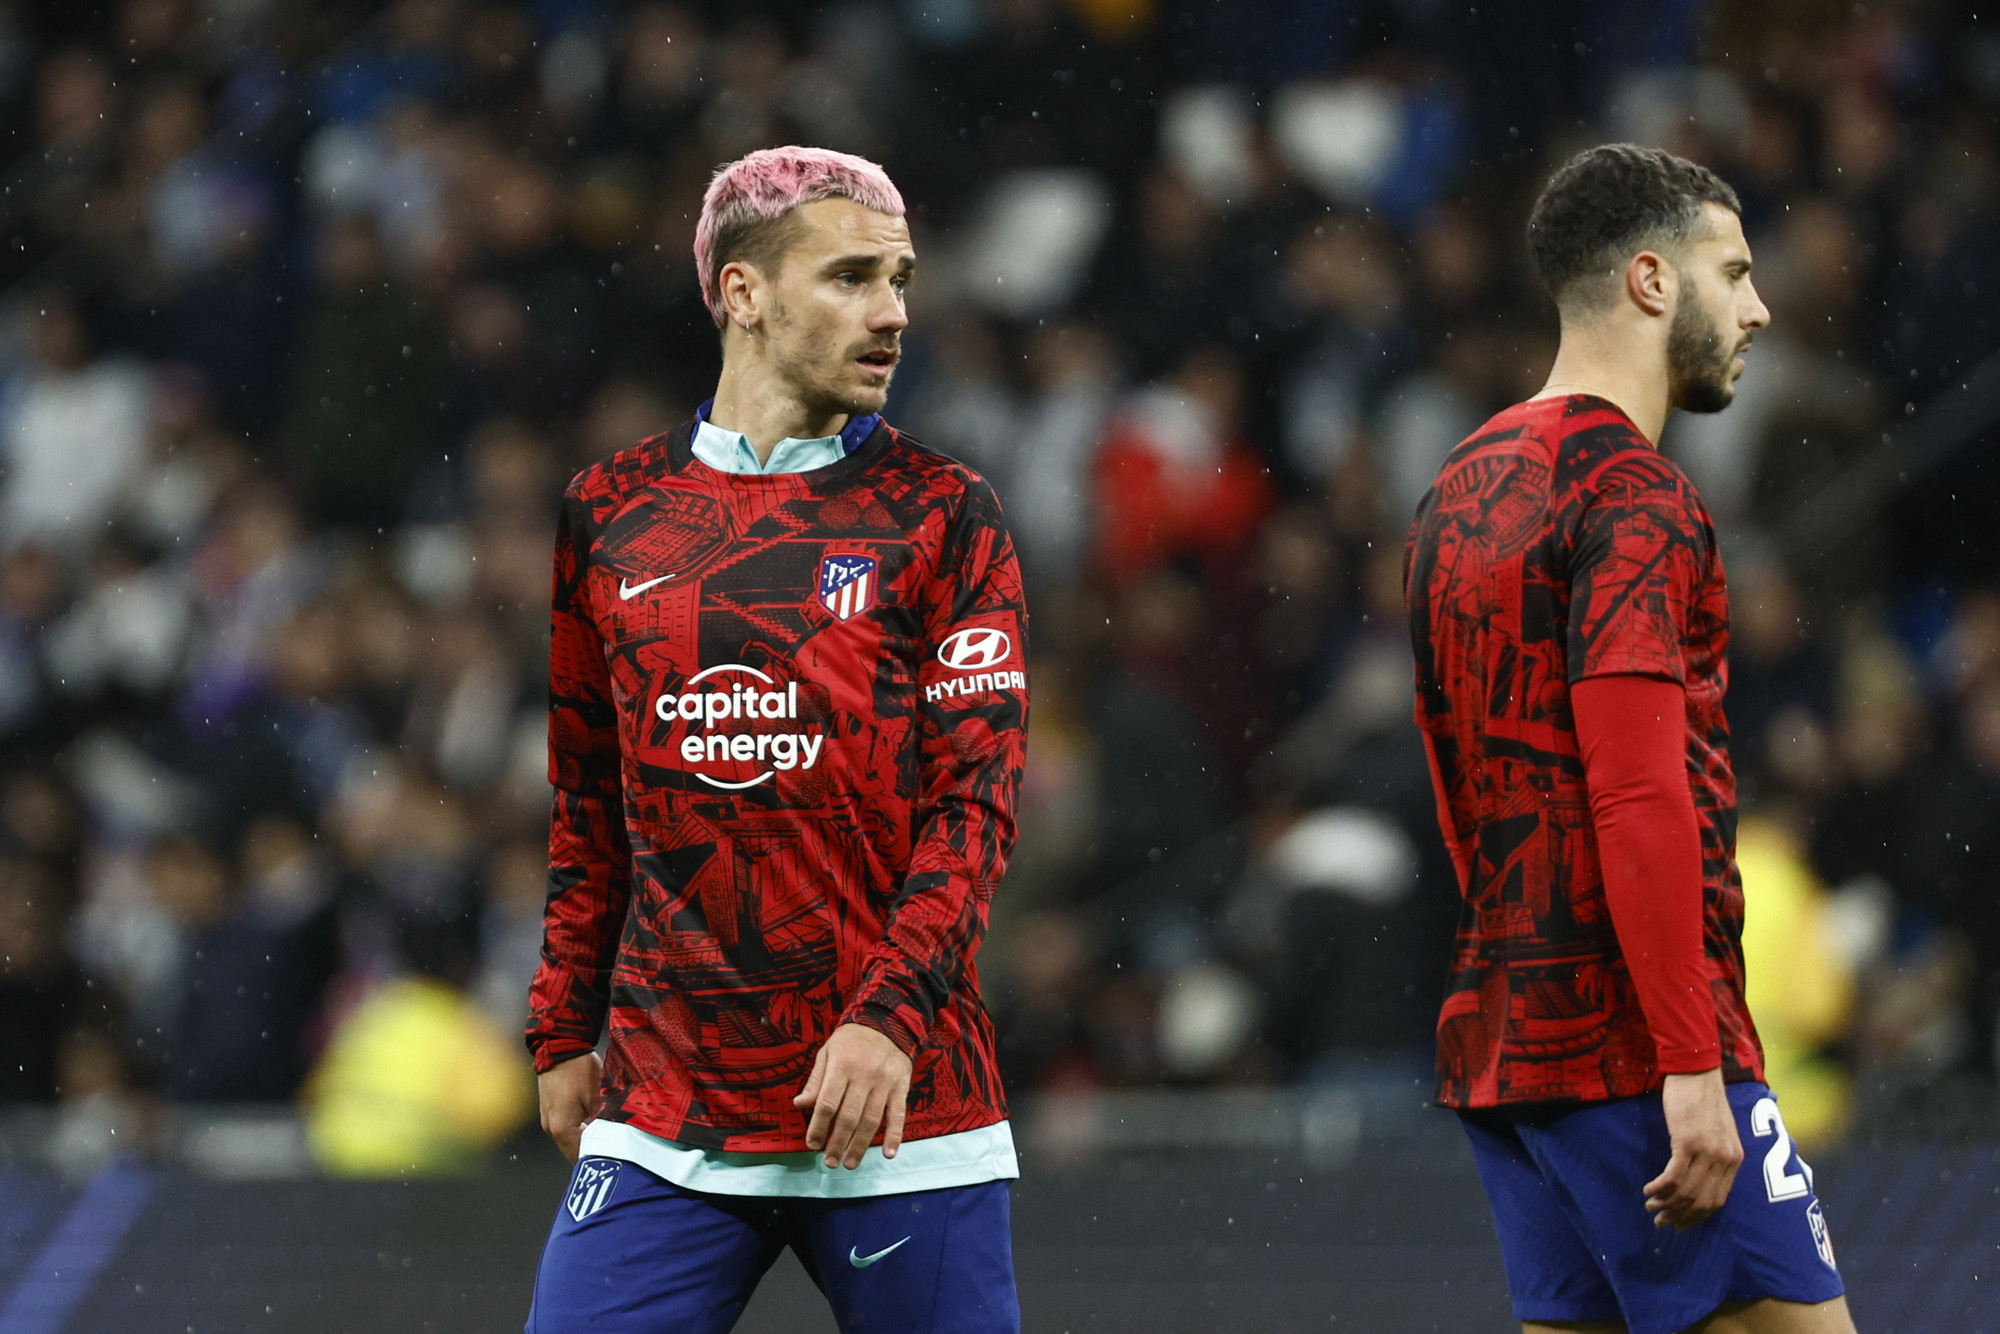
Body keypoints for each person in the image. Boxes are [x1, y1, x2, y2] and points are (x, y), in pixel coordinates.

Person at [523, 145, 1028, 1333]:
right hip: (667, 1110)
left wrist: (885, 1016)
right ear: (741, 293)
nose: (893, 312)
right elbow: (589, 796)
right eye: (851, 277)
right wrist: (558, 1018)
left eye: (900, 278)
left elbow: (977, 807)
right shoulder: (609, 511)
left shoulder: (945, 514)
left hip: (902, 1107)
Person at [1403, 144, 1857, 1334]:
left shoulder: (1453, 490)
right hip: (1635, 1052)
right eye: (1733, 270)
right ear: (1651, 282)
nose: (1757, 307)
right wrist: (1690, 1060)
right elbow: (1637, 792)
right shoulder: (1632, 496)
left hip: (1505, 1041)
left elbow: (1456, 788)